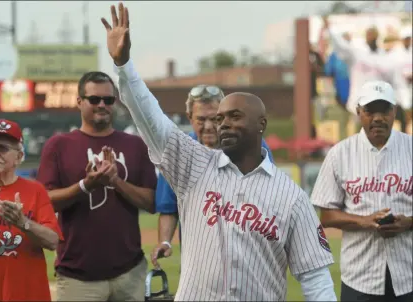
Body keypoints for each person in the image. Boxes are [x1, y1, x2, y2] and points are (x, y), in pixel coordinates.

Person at [101, 3, 337, 301]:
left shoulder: (291, 198)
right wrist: (124, 66)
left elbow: (316, 279)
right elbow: (151, 118)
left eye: (234, 116)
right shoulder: (193, 165)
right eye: (219, 117)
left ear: (261, 124)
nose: (222, 124)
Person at [37, 71, 157, 301]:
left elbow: (151, 202)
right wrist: (85, 185)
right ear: (80, 102)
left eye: (108, 100)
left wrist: (116, 181)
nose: (102, 105)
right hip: (77, 275)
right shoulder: (59, 145)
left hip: (129, 272)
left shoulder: (136, 145)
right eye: (94, 99)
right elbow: (46, 200)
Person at [151, 85, 274, 267]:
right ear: (189, 118)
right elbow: (169, 208)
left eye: (214, 119)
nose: (208, 127)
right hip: (198, 261)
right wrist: (165, 242)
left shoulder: (253, 145)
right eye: (201, 119)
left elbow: (270, 197)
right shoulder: (178, 152)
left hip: (247, 257)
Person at [311, 81, 413, 302]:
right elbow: (326, 215)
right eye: (370, 110)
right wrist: (366, 221)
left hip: (408, 274)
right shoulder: (340, 153)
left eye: (384, 110)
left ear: (394, 111)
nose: (377, 117)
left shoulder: (411, 148)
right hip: (360, 276)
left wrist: (409, 222)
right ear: (359, 112)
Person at [0, 119, 62, 302]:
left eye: (2, 148)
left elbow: (52, 241)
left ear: (18, 157)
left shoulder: (35, 191)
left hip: (29, 294)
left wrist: (23, 223)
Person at [322, 17, 409, 116]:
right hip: (357, 106)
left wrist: (402, 102)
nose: (371, 37)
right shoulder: (357, 53)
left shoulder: (384, 57)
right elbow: (340, 45)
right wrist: (330, 27)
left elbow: (394, 81)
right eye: (369, 34)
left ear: (377, 36)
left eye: (373, 34)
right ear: (366, 36)